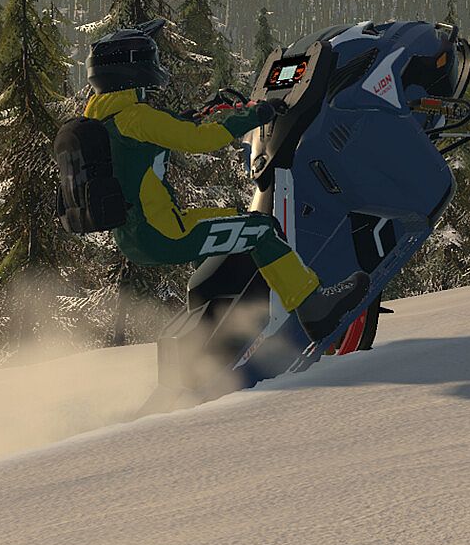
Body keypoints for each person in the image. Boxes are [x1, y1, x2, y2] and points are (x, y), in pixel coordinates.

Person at [81, 19, 368, 341]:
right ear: (133, 68)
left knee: (236, 219)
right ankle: (314, 308)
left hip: (140, 235)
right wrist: (255, 115)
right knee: (260, 230)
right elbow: (201, 140)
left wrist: (188, 118)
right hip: (165, 233)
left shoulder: (104, 117)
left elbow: (149, 141)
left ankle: (224, 317)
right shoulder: (137, 116)